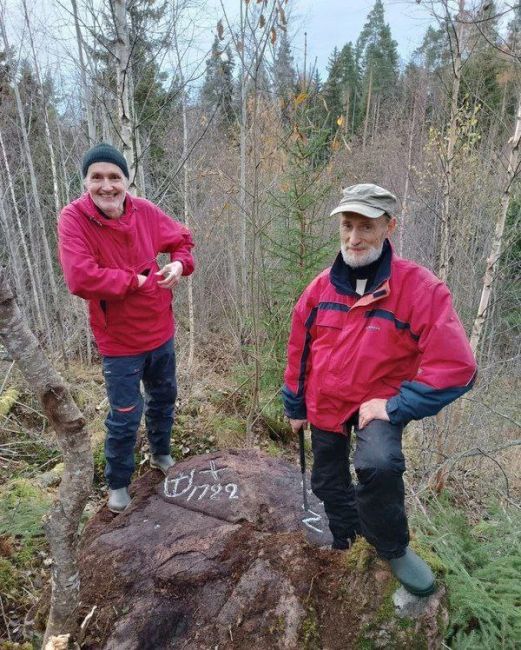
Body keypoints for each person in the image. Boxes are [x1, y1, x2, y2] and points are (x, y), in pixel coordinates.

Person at [282, 183, 476, 597]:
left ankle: (391, 547)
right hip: (326, 403)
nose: (354, 238)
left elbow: (458, 368)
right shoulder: (319, 290)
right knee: (328, 483)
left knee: (380, 465)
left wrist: (398, 405)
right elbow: (299, 350)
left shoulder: (420, 290)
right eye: (347, 226)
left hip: (378, 405)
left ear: (389, 226)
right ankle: (345, 540)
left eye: (366, 227)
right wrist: (295, 403)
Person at [58, 143, 194, 514]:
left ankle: (161, 454)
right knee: (125, 413)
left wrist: (179, 266)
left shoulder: (145, 211)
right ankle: (118, 482)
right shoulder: (74, 219)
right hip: (118, 340)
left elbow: (182, 239)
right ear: (85, 181)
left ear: (126, 180)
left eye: (114, 177)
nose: (106, 186)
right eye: (97, 177)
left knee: (164, 398)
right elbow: (79, 278)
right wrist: (135, 282)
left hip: (160, 329)